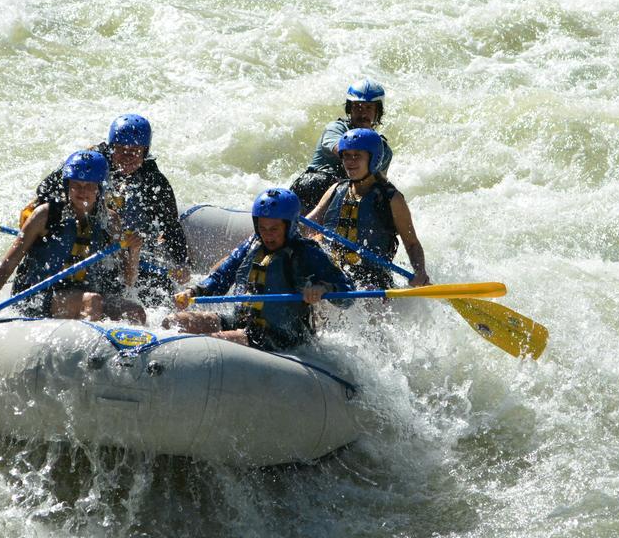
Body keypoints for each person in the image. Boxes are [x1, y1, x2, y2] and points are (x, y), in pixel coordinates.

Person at [0, 151, 145, 327]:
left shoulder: (110, 221)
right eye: (76, 184)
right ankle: (86, 356)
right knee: (92, 302)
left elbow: (128, 280)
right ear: (67, 185)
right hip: (36, 296)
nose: (82, 192)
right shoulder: (45, 215)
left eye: (89, 185)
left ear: (100, 188)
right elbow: (7, 264)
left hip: (83, 294)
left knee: (135, 311)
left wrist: (134, 251)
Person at [164, 188, 356, 351]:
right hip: (242, 322)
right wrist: (194, 291)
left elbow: (347, 292)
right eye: (262, 228)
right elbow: (222, 276)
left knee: (208, 342)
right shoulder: (252, 245)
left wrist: (323, 289)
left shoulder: (307, 253)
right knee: (173, 322)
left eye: (274, 229)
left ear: (290, 226)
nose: (267, 235)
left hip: (280, 335)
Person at [27, 113, 190, 306]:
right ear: (111, 147)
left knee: (158, 290)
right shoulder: (91, 161)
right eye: (121, 150)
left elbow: (170, 225)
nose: (128, 158)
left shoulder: (154, 180)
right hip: (94, 240)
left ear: (145, 152)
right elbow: (46, 189)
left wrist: (182, 263)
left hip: (131, 248)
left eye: (135, 151)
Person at [306, 128, 430, 291]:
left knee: (367, 294)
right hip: (335, 276)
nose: (350, 161)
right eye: (347, 156)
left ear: (373, 158)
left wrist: (419, 271)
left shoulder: (391, 199)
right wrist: (312, 237)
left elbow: (412, 243)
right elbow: (308, 223)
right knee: (315, 293)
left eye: (357, 155)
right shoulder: (336, 189)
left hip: (373, 280)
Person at [290, 78, 394, 213]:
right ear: (349, 110)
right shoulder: (336, 129)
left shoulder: (384, 151)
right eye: (357, 107)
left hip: (345, 202)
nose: (362, 113)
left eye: (369, 108)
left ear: (377, 112)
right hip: (312, 192)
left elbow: (378, 183)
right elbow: (343, 149)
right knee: (319, 181)